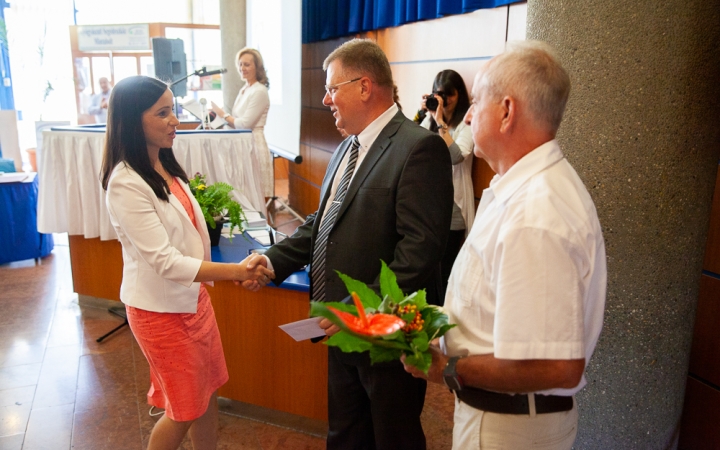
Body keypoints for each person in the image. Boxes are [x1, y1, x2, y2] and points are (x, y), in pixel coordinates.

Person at [244, 39, 454, 449]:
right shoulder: (346, 146)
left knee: (393, 436)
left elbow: (419, 253)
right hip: (336, 325)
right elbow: (320, 226)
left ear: (364, 86)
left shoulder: (419, 147)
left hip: (384, 331)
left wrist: (357, 313)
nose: (325, 99)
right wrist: (272, 261)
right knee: (345, 434)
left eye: (332, 88)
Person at [402, 41, 607, 449]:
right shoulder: (519, 191)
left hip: (509, 428)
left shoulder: (536, 212)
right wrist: (416, 317)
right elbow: (492, 311)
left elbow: (556, 367)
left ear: (508, 111)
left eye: (477, 102)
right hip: (500, 418)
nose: (471, 113)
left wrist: (448, 368)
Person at [100, 75, 275, 450]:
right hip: (160, 312)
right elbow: (165, 260)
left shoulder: (164, 162)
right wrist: (235, 272)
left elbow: (190, 234)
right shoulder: (125, 181)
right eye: (162, 113)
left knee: (207, 392)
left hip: (193, 302)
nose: (175, 121)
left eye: (173, 110)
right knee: (183, 409)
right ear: (133, 121)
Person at [418, 70, 475, 293]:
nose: (444, 100)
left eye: (448, 95)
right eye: (438, 95)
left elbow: (456, 156)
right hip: (429, 207)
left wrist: (440, 122)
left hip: (454, 208)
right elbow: (413, 144)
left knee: (445, 270)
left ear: (459, 94)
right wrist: (424, 114)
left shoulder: (466, 125)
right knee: (427, 269)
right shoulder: (430, 121)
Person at [211, 48, 273, 198]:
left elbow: (244, 124)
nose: (242, 68)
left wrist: (222, 114)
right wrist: (214, 120)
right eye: (240, 64)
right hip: (242, 143)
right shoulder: (245, 89)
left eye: (246, 64)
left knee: (255, 193)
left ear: (257, 67)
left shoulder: (259, 91)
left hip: (253, 143)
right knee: (243, 192)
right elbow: (235, 120)